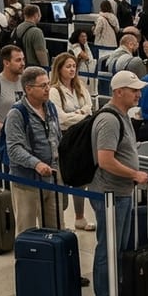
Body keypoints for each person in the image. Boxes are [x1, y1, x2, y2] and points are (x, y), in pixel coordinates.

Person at [88, 70, 148, 296]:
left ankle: (116, 292)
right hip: (109, 194)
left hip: (122, 192)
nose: (138, 94)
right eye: (134, 90)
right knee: (108, 247)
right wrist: (134, 174)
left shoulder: (123, 115)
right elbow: (105, 160)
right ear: (118, 92)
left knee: (120, 247)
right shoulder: (109, 120)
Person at [4, 66, 64, 232]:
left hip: (52, 178)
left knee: (56, 230)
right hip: (27, 181)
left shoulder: (50, 107)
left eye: (48, 84)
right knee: (27, 231)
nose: (47, 89)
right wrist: (36, 164)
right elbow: (14, 149)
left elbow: (56, 136)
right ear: (28, 89)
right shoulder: (17, 113)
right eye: (43, 86)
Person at [51, 51, 97, 231]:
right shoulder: (54, 91)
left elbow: (90, 108)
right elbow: (61, 118)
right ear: (59, 69)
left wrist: (81, 114)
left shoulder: (80, 87)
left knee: (81, 179)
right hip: (64, 139)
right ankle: (59, 221)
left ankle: (80, 217)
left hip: (82, 140)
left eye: (73, 66)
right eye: (68, 66)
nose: (72, 69)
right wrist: (81, 115)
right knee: (62, 179)